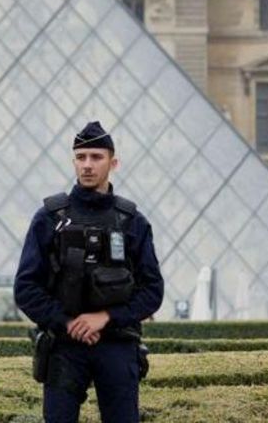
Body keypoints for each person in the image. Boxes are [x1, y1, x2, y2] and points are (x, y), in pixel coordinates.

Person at [14, 121, 164, 423]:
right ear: (73, 162)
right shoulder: (49, 218)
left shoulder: (132, 222)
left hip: (117, 345)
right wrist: (68, 322)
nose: (87, 165)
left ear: (113, 163)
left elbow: (152, 291)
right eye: (80, 157)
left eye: (96, 157)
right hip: (64, 346)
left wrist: (105, 317)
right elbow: (25, 288)